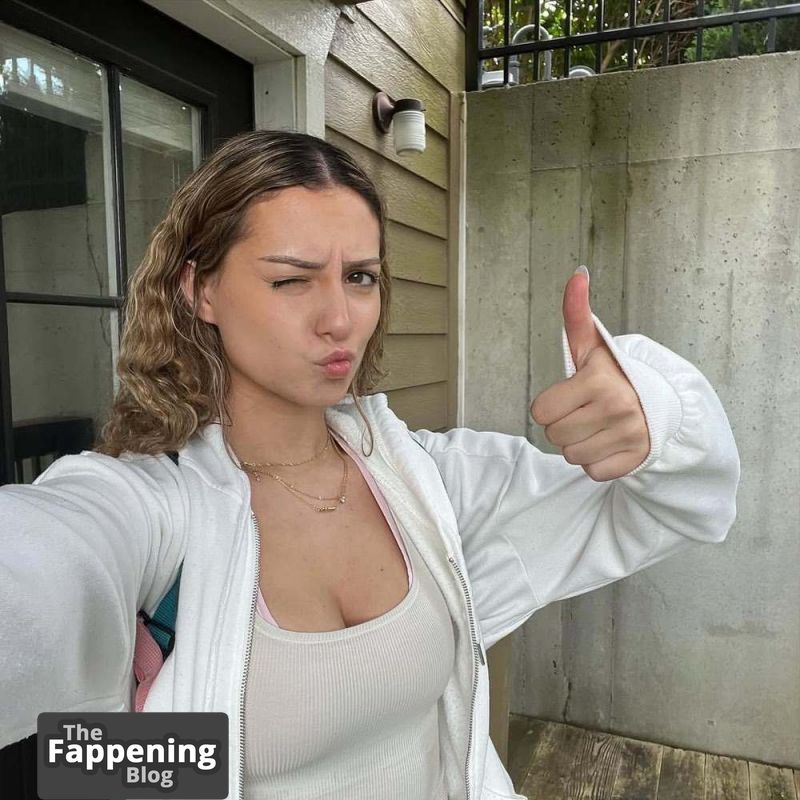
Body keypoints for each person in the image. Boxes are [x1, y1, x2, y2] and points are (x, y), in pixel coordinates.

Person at [0, 129, 740, 800]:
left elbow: (671, 506)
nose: (339, 319)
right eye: (291, 279)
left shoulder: (428, 483)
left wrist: (654, 419)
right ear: (201, 291)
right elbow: (40, 589)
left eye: (360, 277)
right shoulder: (147, 512)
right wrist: (138, 746)